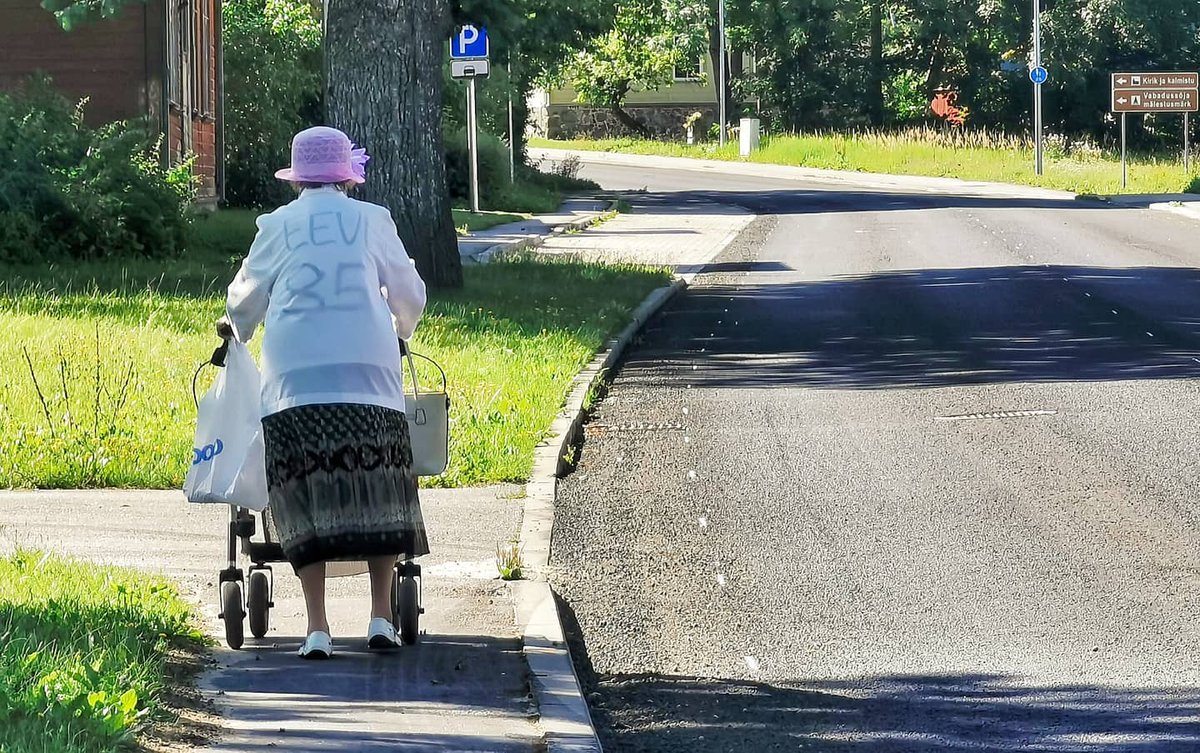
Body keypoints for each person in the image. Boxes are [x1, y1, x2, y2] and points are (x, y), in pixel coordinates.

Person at [218, 126, 428, 659]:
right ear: (346, 178)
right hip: (368, 379)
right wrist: (400, 330)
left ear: (298, 180)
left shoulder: (278, 225)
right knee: (378, 488)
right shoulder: (371, 220)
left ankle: (317, 626)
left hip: (295, 382)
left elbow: (245, 298)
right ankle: (381, 615)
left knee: (301, 491)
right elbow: (408, 292)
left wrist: (236, 332)